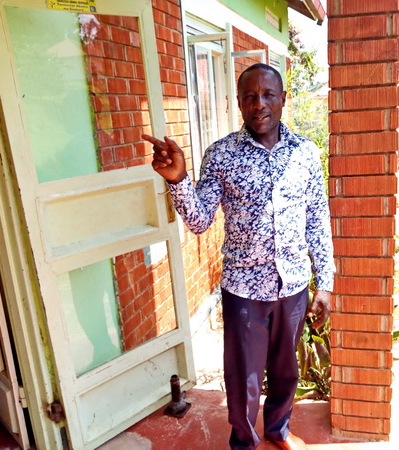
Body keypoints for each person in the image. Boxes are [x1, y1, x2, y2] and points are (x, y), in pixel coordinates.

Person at [142, 63, 334, 450]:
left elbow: (317, 219)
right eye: (250, 96)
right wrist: (178, 181)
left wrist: (325, 283)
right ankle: (244, 442)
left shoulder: (305, 153)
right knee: (243, 377)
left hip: (293, 285)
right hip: (243, 290)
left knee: (286, 371)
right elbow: (199, 221)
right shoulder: (221, 155)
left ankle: (278, 430)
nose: (259, 103)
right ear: (239, 103)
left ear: (283, 99)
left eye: (268, 95)